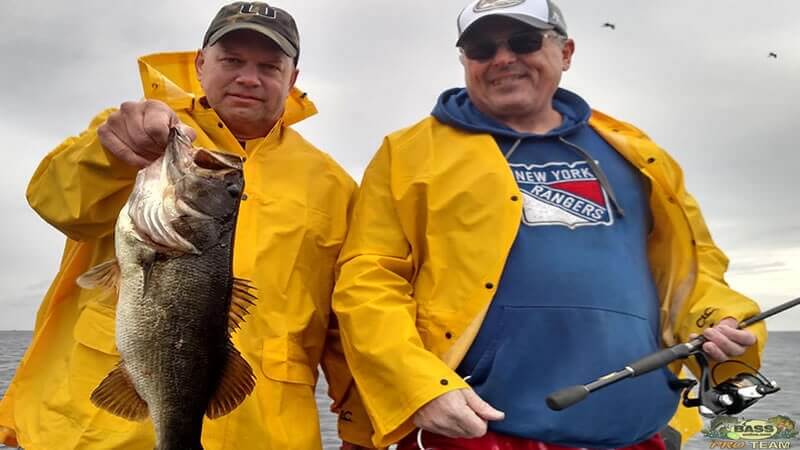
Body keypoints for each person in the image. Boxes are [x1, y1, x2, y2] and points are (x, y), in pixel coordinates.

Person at [332, 0, 766, 449]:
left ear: (566, 52)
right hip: (475, 430)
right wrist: (417, 385)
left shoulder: (638, 154)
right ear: (465, 61)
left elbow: (695, 269)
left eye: (523, 42)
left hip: (637, 431)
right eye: (482, 48)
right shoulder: (407, 154)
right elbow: (368, 281)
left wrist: (722, 319)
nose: (503, 58)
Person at [0, 2, 373, 449]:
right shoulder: (139, 132)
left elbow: (345, 322)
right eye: (231, 60)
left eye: (269, 66)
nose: (248, 78)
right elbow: (55, 202)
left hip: (265, 434)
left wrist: (360, 429)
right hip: (102, 433)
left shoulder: (335, 186)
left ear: (292, 79)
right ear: (200, 64)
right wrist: (109, 157)